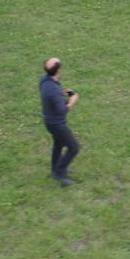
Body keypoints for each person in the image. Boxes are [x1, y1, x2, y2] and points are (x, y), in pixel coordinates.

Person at [40, 57, 80, 186]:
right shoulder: (54, 90)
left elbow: (51, 95)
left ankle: (55, 168)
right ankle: (59, 172)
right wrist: (72, 100)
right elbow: (62, 110)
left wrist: (61, 94)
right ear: (58, 70)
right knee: (74, 147)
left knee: (58, 144)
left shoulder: (44, 81)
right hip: (57, 124)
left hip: (49, 121)